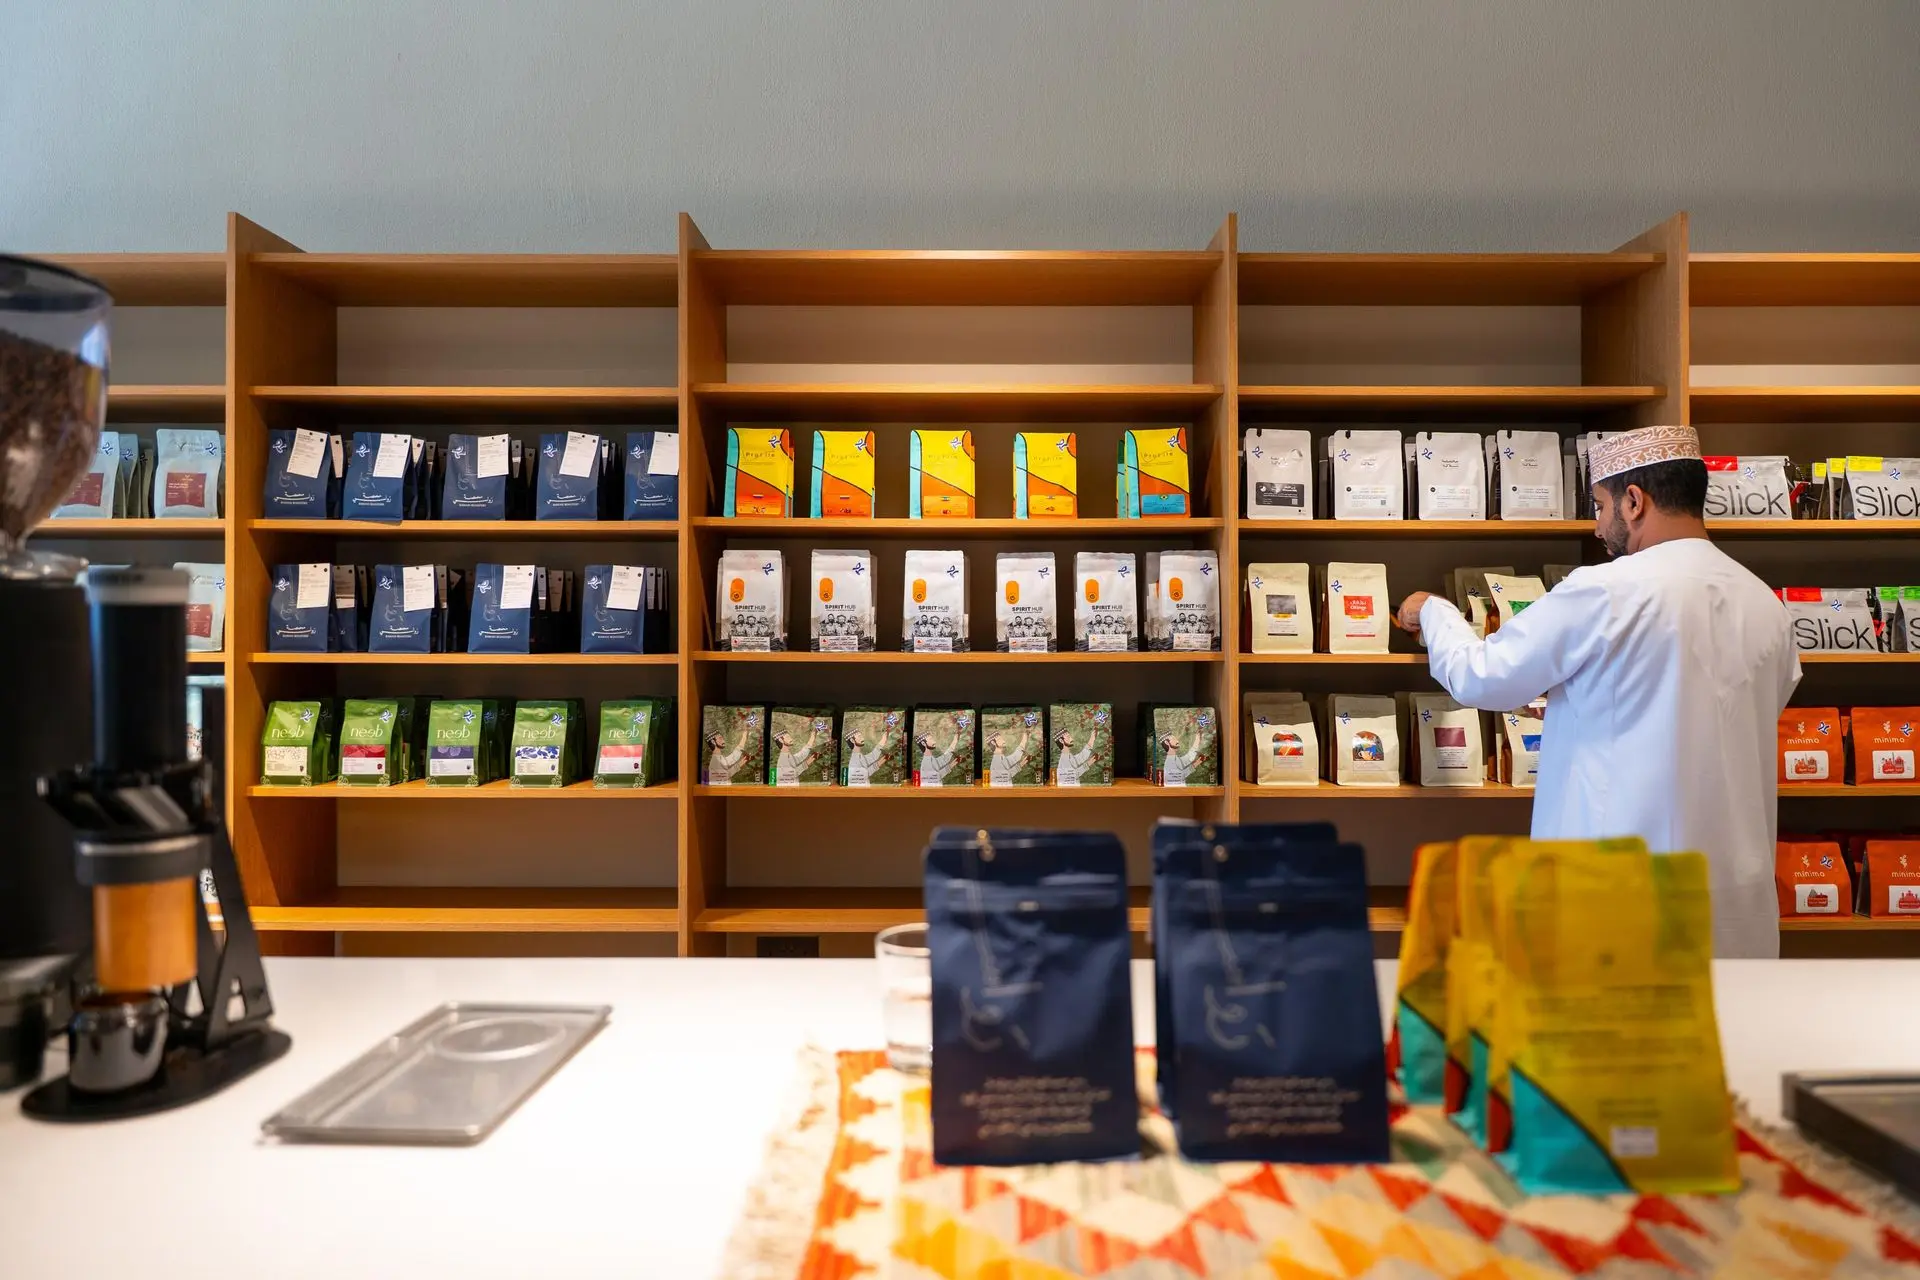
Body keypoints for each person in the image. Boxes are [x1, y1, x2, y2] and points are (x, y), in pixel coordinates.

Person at [1394, 424, 1799, 958]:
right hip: (1734, 908)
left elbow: (1481, 676)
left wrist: (1433, 612)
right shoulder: (1765, 603)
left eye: (1601, 506)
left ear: (1634, 501)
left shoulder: (1606, 590)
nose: (1597, 525)